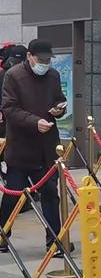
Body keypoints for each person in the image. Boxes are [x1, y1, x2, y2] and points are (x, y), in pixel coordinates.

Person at [0, 39, 67, 255]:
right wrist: (33, 122)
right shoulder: (13, 75)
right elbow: (9, 108)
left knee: (50, 192)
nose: (45, 63)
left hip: (47, 147)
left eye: (48, 60)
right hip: (21, 145)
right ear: (30, 56)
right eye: (41, 59)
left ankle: (54, 240)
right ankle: (2, 236)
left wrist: (59, 110)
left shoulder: (53, 75)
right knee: (13, 194)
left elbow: (60, 99)